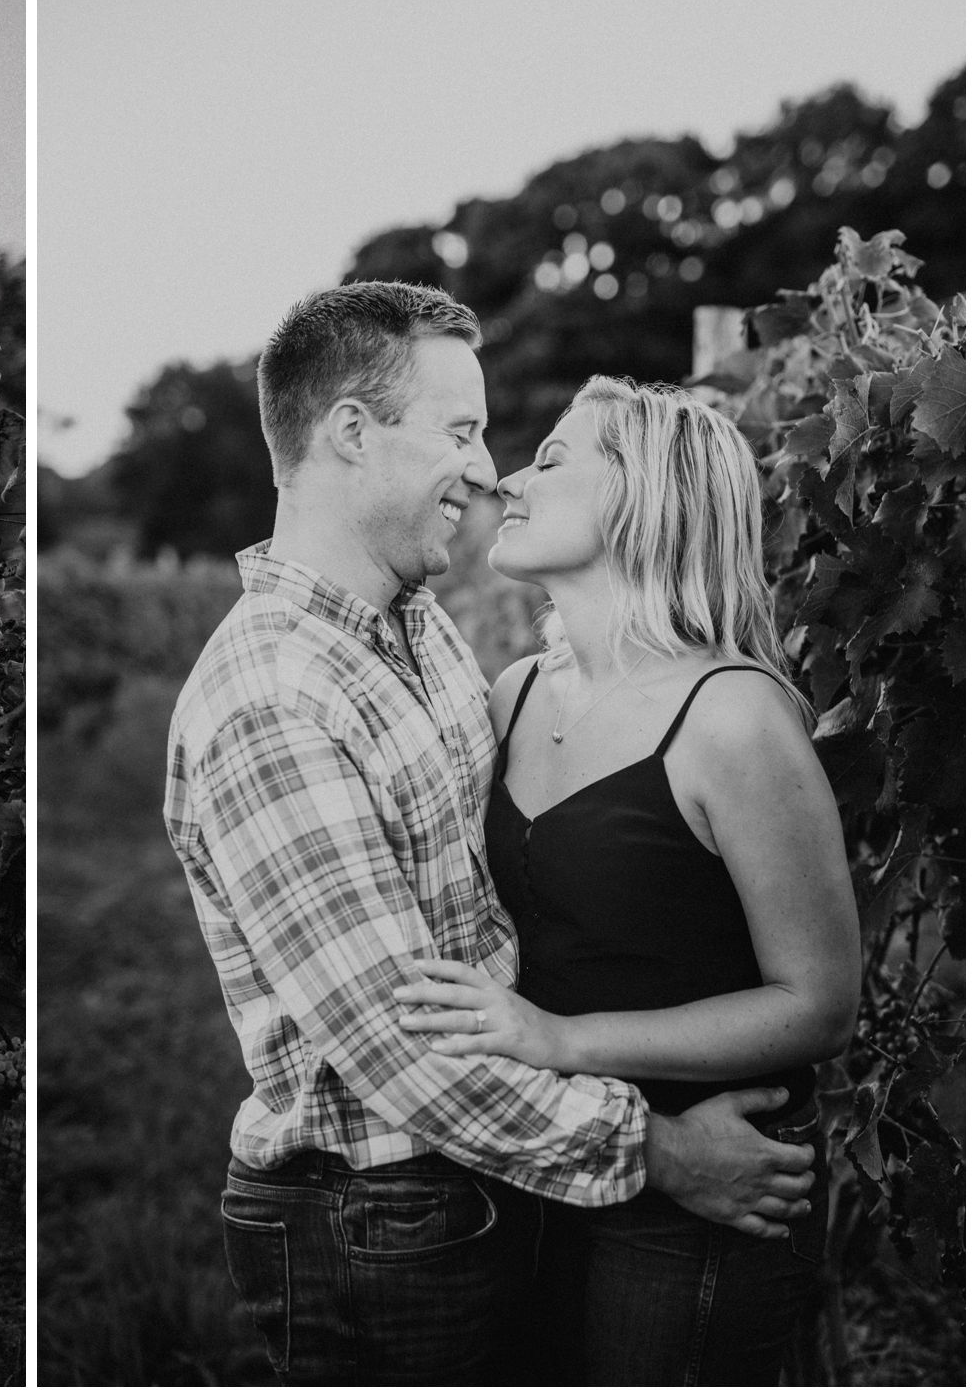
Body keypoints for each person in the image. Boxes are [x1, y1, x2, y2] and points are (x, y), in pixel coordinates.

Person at [162, 283, 817, 1383]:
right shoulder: (273, 693)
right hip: (378, 1211)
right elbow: (392, 1042)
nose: (486, 467)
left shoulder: (418, 636)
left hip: (497, 1181)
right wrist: (656, 1151)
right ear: (354, 434)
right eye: (459, 431)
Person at [390, 376, 859, 1382]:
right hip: (548, 1162)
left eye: (551, 459)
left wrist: (562, 1041)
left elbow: (818, 1005)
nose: (508, 481)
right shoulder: (511, 694)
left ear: (647, 494)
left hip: (707, 1188)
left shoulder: (731, 717)